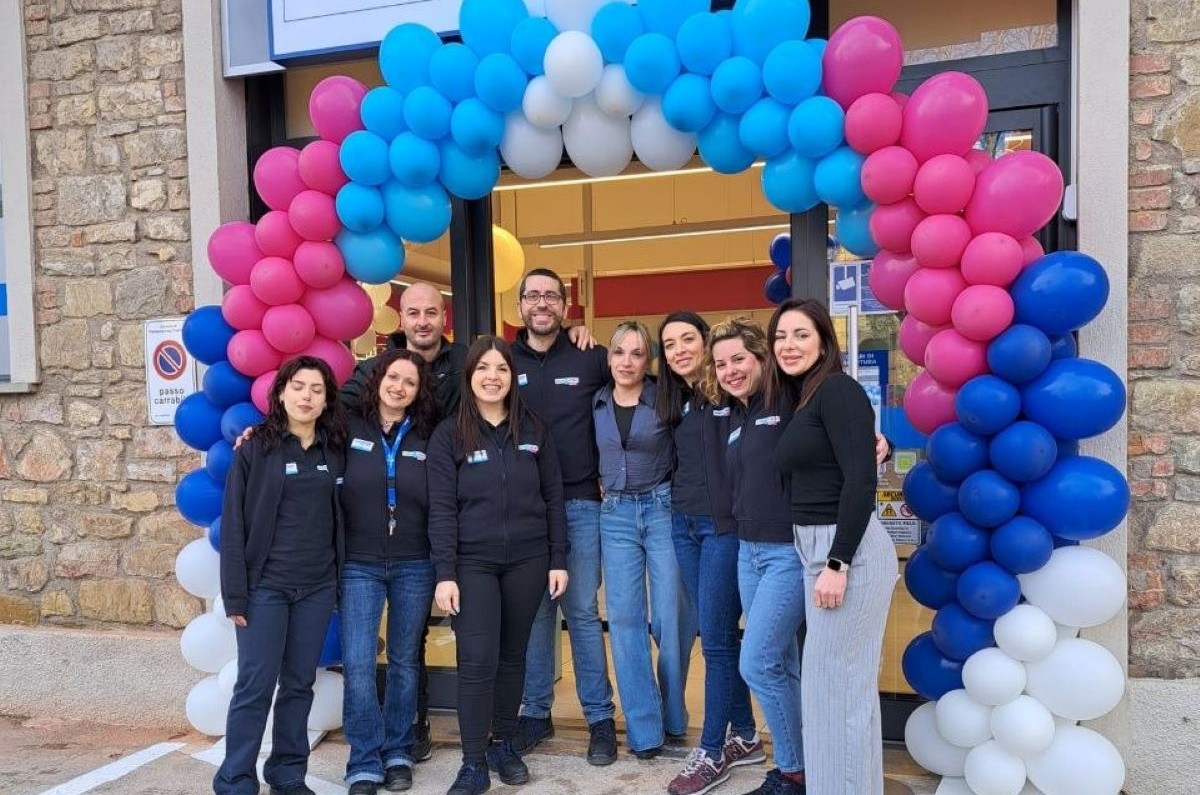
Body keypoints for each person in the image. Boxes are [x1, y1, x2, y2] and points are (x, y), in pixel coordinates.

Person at [427, 336, 569, 795]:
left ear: (512, 376)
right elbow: (442, 509)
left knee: (513, 657)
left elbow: (553, 498)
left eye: (501, 368)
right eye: (483, 368)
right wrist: (445, 572)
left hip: (528, 560)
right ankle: (472, 763)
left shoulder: (533, 429)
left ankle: (502, 743)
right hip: (473, 563)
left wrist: (558, 558)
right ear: (470, 377)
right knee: (477, 660)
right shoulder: (450, 434)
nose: (493, 376)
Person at [772, 298, 897, 795]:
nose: (789, 345)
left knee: (835, 692)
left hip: (846, 550)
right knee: (837, 692)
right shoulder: (805, 398)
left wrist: (838, 561)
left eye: (801, 334)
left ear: (825, 341)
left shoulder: (838, 389)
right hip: (818, 549)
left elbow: (861, 481)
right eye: (780, 336)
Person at [215, 356, 347, 795]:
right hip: (265, 589)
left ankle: (287, 772)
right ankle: (236, 776)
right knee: (255, 685)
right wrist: (236, 595)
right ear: (282, 393)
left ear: (327, 399)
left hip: (316, 587)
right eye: (299, 387)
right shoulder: (256, 449)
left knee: (299, 683)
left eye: (316, 389)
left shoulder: (336, 449)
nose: (306, 396)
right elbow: (234, 523)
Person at [510, 268, 619, 765]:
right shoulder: (501, 361)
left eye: (551, 296)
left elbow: (638, 395)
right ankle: (536, 712)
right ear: (520, 306)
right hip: (525, 510)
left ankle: (599, 718)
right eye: (532, 296)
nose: (541, 303)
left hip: (580, 505)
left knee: (579, 611)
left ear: (565, 306)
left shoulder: (592, 358)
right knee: (535, 615)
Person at [701, 318, 808, 795]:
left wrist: (879, 447)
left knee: (756, 662)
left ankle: (791, 768)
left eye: (738, 359)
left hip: (787, 550)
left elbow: (838, 431)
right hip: (749, 550)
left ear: (761, 357)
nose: (730, 370)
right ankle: (801, 762)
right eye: (721, 364)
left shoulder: (789, 398)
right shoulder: (735, 415)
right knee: (781, 663)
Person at [658, 312, 763, 795]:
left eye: (687, 340)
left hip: (725, 529)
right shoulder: (673, 397)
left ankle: (712, 751)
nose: (679, 350)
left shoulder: (732, 393)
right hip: (683, 525)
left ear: (705, 343)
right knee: (715, 634)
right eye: (670, 343)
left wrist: (876, 442)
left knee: (718, 640)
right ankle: (744, 736)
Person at [340, 349, 441, 795]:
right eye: (392, 377)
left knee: (404, 662)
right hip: (359, 563)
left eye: (410, 382)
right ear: (377, 379)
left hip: (415, 563)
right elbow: (293, 430)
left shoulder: (428, 437)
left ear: (419, 393)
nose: (399, 387)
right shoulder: (346, 429)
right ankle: (363, 757)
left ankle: (398, 750)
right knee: (360, 663)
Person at [593, 321, 694, 760]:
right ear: (609, 357)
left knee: (670, 619)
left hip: (661, 508)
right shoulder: (595, 402)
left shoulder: (668, 397)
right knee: (624, 621)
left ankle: (673, 714)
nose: (627, 362)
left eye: (637, 354)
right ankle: (644, 728)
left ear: (648, 360)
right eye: (619, 353)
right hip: (614, 514)